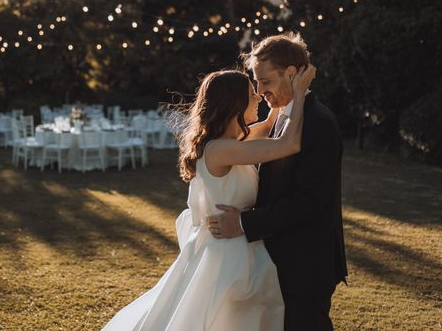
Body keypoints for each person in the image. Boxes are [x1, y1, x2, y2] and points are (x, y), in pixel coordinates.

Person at [102, 62, 315, 331]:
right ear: (234, 104)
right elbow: (289, 144)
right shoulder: (219, 150)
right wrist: (299, 91)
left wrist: (282, 96)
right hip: (227, 254)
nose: (258, 96)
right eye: (251, 93)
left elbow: (269, 123)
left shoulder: (231, 144)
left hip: (237, 243)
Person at [207, 33, 348, 330]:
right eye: (256, 82)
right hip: (275, 259)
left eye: (266, 82)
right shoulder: (284, 117)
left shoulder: (318, 122)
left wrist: (245, 224)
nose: (259, 91)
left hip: (305, 262)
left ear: (292, 74)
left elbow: (311, 202)